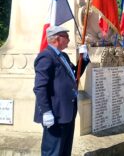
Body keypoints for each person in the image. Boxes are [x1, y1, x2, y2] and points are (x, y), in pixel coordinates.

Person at [33, 25, 90, 156]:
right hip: (55, 113)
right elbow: (40, 87)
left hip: (67, 112)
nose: (69, 40)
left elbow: (74, 77)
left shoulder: (63, 56)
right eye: (66, 36)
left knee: (65, 150)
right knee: (53, 151)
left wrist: (84, 58)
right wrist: (46, 111)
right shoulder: (46, 57)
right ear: (57, 39)